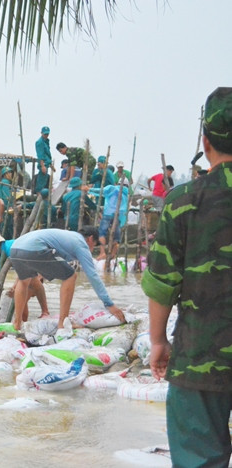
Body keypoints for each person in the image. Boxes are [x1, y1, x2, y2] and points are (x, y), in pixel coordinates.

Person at [141, 87, 232, 467]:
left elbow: (162, 285)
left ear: (205, 141)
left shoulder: (182, 203)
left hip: (199, 358)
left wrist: (158, 341)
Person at [9, 227, 125, 330]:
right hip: (34, 248)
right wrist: (109, 304)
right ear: (90, 239)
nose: (92, 248)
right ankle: (63, 322)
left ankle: (17, 323)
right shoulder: (80, 243)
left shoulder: (68, 237)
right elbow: (93, 275)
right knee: (70, 276)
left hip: (15, 249)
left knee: (23, 281)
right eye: (94, 244)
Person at [0, 228, 49, 320]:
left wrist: (15, 287)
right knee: (22, 294)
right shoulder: (0, 255)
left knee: (26, 288)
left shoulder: (10, 248)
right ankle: (24, 320)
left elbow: (23, 271)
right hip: (28, 266)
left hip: (38, 258)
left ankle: (43, 312)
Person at [92, 179, 130, 260]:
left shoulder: (112, 188)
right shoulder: (127, 194)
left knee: (102, 233)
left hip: (108, 214)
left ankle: (102, 253)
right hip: (118, 216)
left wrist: (89, 190)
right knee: (116, 237)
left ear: (117, 183)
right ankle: (113, 254)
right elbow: (125, 211)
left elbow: (100, 191)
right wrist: (122, 222)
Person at [34, 126, 53, 192]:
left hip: (47, 163)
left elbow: (47, 154)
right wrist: (42, 166)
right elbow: (40, 155)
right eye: (45, 134)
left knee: (44, 182)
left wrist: (51, 165)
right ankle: (39, 195)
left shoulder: (46, 141)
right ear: (41, 133)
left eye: (47, 134)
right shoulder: (39, 142)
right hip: (43, 164)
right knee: (41, 183)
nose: (46, 135)